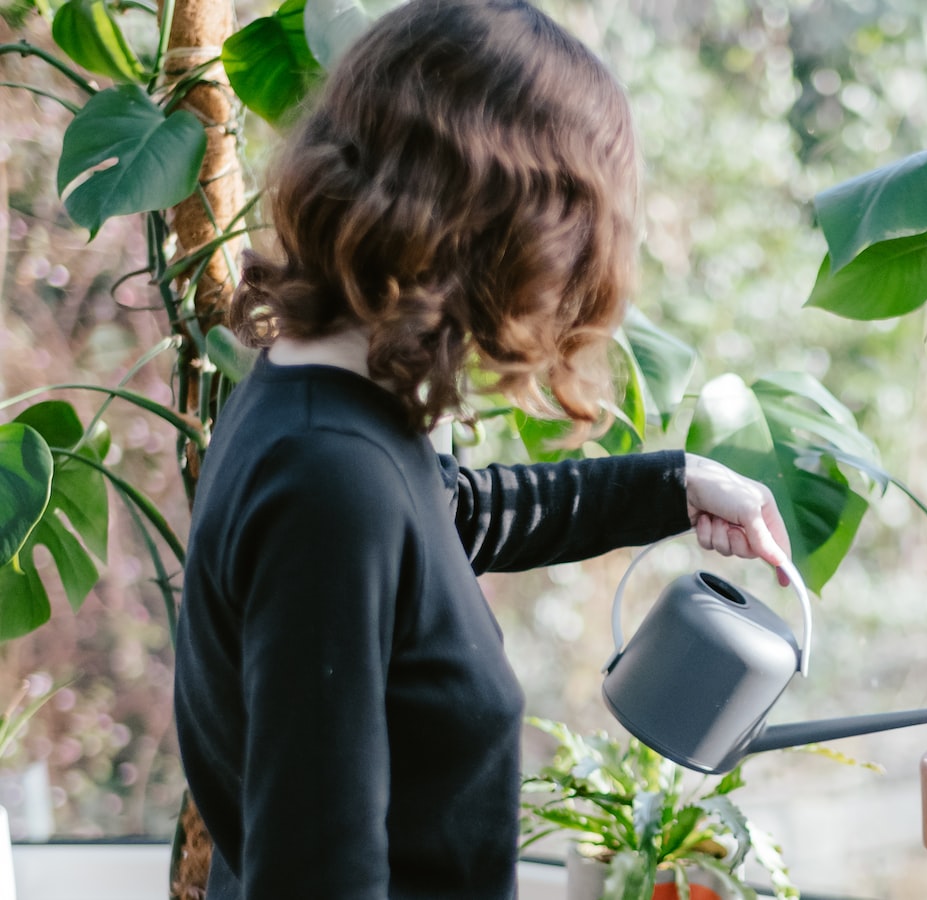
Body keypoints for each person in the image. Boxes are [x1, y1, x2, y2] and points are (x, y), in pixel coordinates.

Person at [171, 1, 791, 896]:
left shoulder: (322, 406)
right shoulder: (330, 480)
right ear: (502, 230)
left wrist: (677, 486)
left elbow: (446, 515)